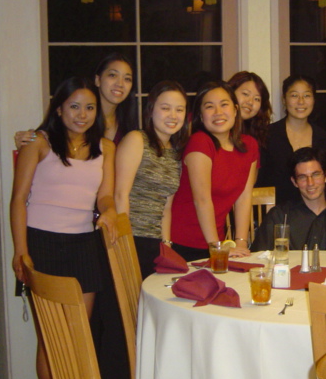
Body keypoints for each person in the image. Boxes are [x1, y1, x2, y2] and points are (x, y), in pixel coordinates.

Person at [10, 77, 117, 379]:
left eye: (89, 107)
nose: (82, 114)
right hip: (42, 245)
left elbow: (104, 196)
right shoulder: (38, 143)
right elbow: (18, 199)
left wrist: (109, 211)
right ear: (58, 109)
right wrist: (21, 251)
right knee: (51, 338)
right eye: (74, 106)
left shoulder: (105, 147)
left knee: (76, 336)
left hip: (84, 246)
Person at [171, 81, 259, 261]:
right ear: (201, 115)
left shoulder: (249, 145)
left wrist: (241, 242)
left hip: (216, 242)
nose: (218, 112)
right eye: (209, 107)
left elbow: (244, 197)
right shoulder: (200, 142)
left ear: (235, 110)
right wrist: (216, 248)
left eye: (224, 105)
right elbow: (202, 200)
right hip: (184, 244)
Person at [115, 81, 190, 278]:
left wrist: (166, 245)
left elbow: (166, 207)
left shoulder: (174, 152)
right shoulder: (136, 139)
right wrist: (125, 242)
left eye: (179, 110)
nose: (173, 115)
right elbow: (120, 195)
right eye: (165, 108)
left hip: (155, 243)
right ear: (151, 110)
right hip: (130, 237)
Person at [14, 52, 137, 149]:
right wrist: (27, 143)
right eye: (113, 75)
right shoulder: (79, 118)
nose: (120, 84)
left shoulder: (129, 125)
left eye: (127, 79)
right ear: (97, 80)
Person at [258, 75, 326, 205]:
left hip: (313, 209)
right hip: (276, 211)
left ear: (314, 99)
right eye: (294, 95)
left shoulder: (323, 137)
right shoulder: (267, 135)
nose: (301, 101)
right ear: (284, 100)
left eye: (307, 95)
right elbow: (259, 181)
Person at [252, 147, 326, 251]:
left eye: (315, 175)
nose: (310, 183)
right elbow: (259, 256)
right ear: (294, 182)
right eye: (302, 177)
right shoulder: (278, 216)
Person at [226, 71, 272, 151]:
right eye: (245, 94)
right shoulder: (218, 129)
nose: (250, 102)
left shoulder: (259, 137)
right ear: (230, 92)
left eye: (257, 99)